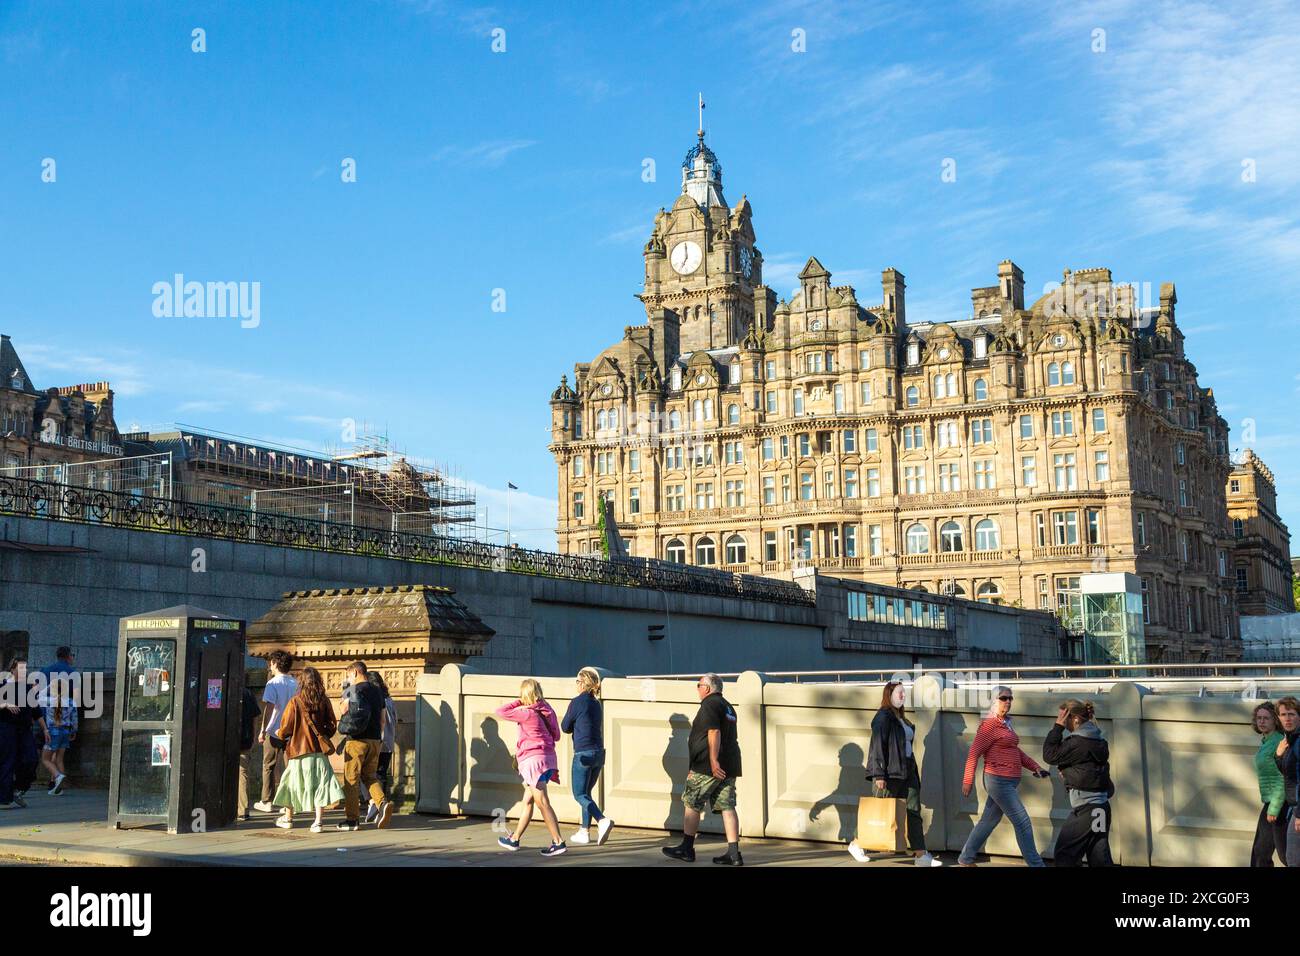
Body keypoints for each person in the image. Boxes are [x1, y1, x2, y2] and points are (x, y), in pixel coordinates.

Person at [957, 685, 1050, 867]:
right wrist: (968, 781)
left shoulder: (1006, 723)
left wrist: (1036, 767)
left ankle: (965, 859)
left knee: (988, 821)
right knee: (1022, 822)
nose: (1008, 701)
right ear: (994, 701)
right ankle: (1037, 865)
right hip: (998, 780)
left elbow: (1015, 751)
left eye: (1010, 698)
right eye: (1003, 698)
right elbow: (974, 753)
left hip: (1008, 781)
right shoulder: (989, 725)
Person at [850, 681, 941, 866]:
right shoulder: (883, 717)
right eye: (899, 693)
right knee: (879, 809)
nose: (902, 696)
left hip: (908, 770)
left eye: (903, 693)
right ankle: (857, 843)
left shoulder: (901, 718)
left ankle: (920, 854)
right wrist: (879, 775)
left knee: (914, 810)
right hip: (889, 773)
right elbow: (877, 746)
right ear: (889, 695)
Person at [663, 673, 744, 866]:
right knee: (727, 806)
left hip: (708, 765)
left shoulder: (709, 704)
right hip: (730, 764)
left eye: (699, 685)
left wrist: (713, 761)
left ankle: (686, 848)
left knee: (692, 802)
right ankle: (734, 853)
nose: (697, 688)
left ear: (707, 688)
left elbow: (714, 731)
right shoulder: (728, 706)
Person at [495, 678, 566, 856]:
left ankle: (558, 842)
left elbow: (500, 711)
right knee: (528, 801)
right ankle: (515, 839)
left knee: (542, 802)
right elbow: (556, 736)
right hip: (548, 760)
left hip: (533, 761)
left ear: (525, 694)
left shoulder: (526, 713)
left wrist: (520, 701)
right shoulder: (547, 709)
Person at [270, 667, 345, 832]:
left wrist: (279, 733)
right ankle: (318, 822)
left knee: (291, 784)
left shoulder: (295, 701)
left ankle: (288, 818)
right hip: (318, 751)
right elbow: (332, 725)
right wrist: (322, 733)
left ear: (302, 682)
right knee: (320, 785)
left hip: (298, 751)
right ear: (319, 681)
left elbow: (286, 728)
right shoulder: (324, 701)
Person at [1042, 698, 1115, 866]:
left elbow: (1050, 754)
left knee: (1064, 856)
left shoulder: (1077, 742)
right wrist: (1068, 774)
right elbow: (1088, 770)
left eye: (1064, 718)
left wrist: (1057, 727)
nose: (1062, 722)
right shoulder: (1098, 740)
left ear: (1075, 719)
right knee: (1099, 857)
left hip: (1086, 810)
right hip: (1101, 808)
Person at [337, 660, 392, 831]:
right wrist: (379, 738)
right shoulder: (378, 692)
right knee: (370, 777)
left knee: (351, 780)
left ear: (354, 672)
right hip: (375, 740)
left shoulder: (354, 689)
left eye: (348, 675)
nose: (348, 678)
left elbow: (343, 710)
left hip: (357, 740)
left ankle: (352, 819)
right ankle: (382, 803)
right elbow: (383, 719)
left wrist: (344, 693)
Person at [562, 666, 614, 846]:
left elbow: (565, 726)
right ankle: (584, 831)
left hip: (583, 753)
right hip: (598, 753)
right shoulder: (596, 703)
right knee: (587, 794)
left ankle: (601, 820)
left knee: (579, 794)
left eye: (578, 681)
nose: (576, 684)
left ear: (583, 684)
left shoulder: (577, 702)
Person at [253, 651, 298, 814]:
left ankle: (267, 800)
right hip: (291, 731)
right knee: (290, 767)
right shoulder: (295, 683)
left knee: (268, 765)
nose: (269, 667)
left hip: (273, 731)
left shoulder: (272, 684)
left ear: (275, 663)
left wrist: (263, 730)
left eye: (270, 663)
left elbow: (269, 708)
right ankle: (289, 803)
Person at [1249, 702, 1286, 867]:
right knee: (1260, 852)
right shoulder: (1267, 741)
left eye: (1266, 718)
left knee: (1284, 854)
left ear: (1275, 720)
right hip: (1270, 801)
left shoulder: (1278, 742)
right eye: (1259, 718)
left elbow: (1282, 777)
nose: (1262, 722)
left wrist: (1274, 808)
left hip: (1278, 804)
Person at [363, 671, 398, 825]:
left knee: (367, 774)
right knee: (381, 775)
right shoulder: (389, 700)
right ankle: (380, 806)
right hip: (388, 743)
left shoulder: (375, 701)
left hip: (377, 741)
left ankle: (375, 804)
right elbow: (395, 720)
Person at [41, 671, 78, 797]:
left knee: (45, 759)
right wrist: (73, 732)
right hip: (66, 732)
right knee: (59, 759)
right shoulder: (71, 702)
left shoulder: (49, 700)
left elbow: (37, 696)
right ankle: (58, 788)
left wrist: (50, 686)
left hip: (53, 731)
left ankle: (57, 776)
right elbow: (74, 719)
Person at [1273, 696, 1300, 866]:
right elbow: (1288, 773)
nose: (1287, 719)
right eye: (1283, 715)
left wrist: (1299, 814)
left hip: (1298, 809)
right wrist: (1279, 755)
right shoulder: (1290, 738)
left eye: (1291, 714)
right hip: (1294, 806)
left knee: (1293, 859)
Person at [237, 685, 261, 820]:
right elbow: (255, 717)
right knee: (242, 774)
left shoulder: (221, 688)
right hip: (244, 738)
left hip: (226, 738)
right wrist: (254, 735)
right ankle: (243, 810)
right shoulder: (247, 693)